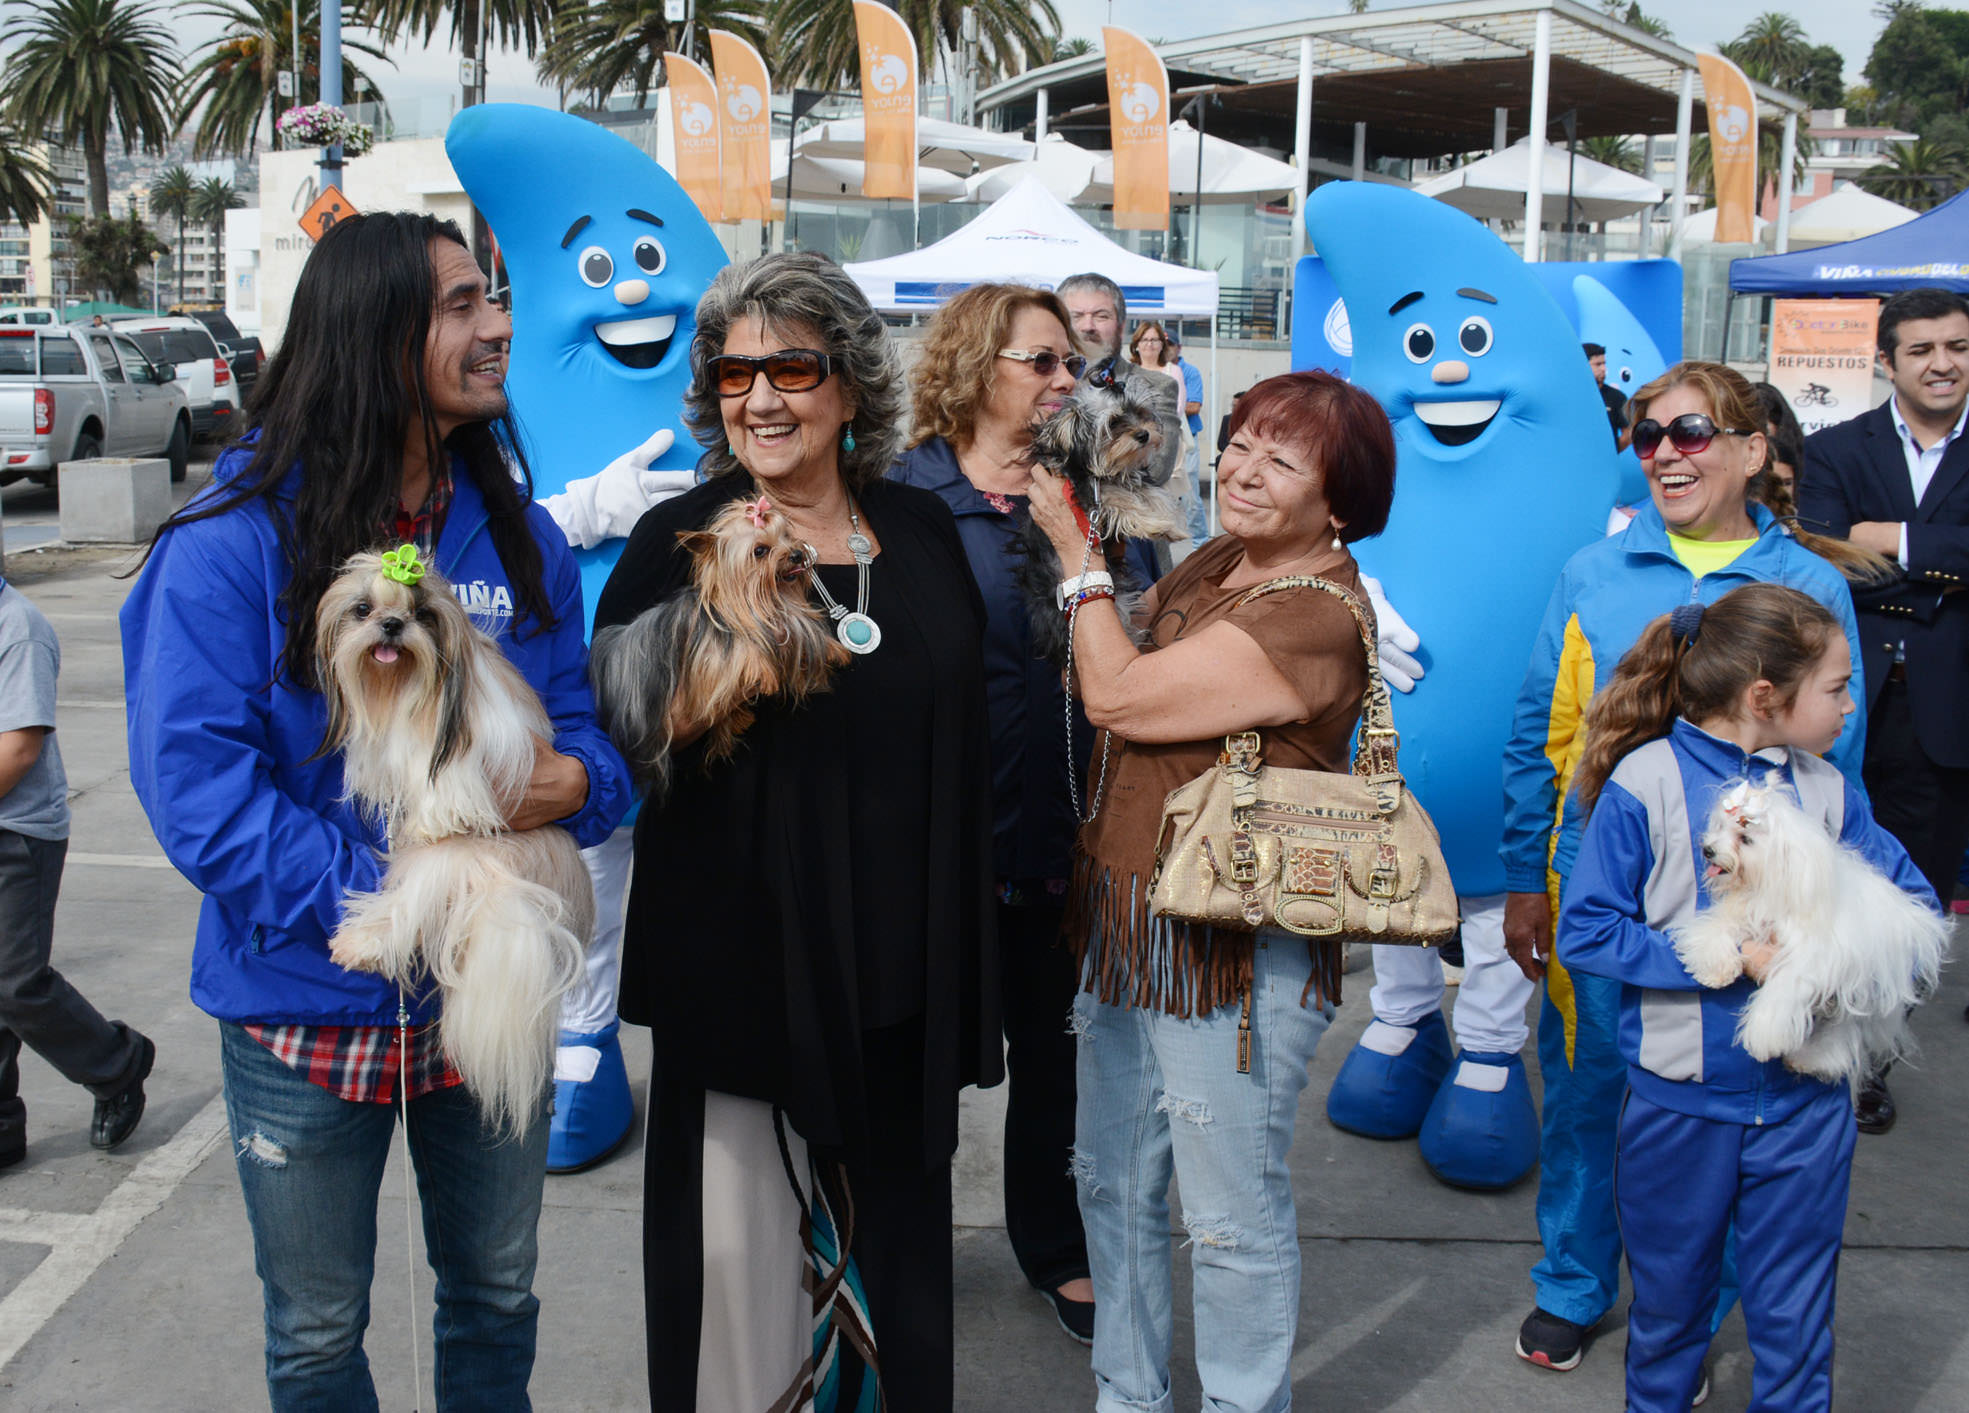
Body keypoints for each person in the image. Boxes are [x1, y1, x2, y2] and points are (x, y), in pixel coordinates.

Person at [119, 211, 632, 1408]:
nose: (495, 325)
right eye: (459, 305)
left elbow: (594, 733)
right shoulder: (230, 541)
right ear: (374, 337)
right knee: (315, 1333)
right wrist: (397, 904)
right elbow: (198, 795)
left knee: (498, 1297)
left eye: (487, 298)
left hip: (490, 1004)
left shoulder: (519, 531)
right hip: (305, 1006)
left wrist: (587, 786)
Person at [594, 252, 1000, 1412]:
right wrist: (734, 626)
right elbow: (632, 729)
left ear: (850, 385)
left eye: (792, 366)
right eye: (734, 374)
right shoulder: (682, 534)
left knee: (900, 1261)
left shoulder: (917, 530)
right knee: (742, 1281)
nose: (761, 397)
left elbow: (964, 727)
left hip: (901, 968)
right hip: (747, 974)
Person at [1027, 369, 1397, 1410]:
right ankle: (1127, 1395)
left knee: (1229, 1217)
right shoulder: (1221, 561)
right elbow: (1098, 666)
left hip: (1231, 951)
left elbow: (1116, 692)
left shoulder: (1315, 613)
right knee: (1109, 1184)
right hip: (1133, 921)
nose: (1240, 469)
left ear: (1339, 502)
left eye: (1281, 461)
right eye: (1239, 442)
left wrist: (1076, 559)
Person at [1500, 360, 1867, 1376]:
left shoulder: (1809, 586)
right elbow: (1545, 731)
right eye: (1646, 433)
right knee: (1585, 1091)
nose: (1664, 452)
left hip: (1754, 914)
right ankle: (1572, 1281)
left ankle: (1688, 1319)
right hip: (1604, 893)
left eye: (1691, 432)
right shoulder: (1594, 573)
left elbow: (1843, 763)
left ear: (1753, 452)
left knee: (1735, 1121)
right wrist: (1526, 881)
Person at [1561, 582, 1937, 1412]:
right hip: (1677, 1106)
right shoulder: (1646, 780)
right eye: (1836, 688)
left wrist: (1821, 962)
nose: (1849, 705)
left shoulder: (1832, 789)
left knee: (1796, 1317)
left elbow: (1912, 907)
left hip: (1808, 1110)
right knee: (1665, 1312)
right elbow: (1585, 931)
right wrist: (1724, 954)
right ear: (1765, 696)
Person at [891, 282, 1158, 1347]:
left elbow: (1138, 649)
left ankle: (1052, 1246)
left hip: (1064, 832)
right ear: (970, 371)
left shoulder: (1093, 499)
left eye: (1069, 365)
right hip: (935, 844)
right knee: (918, 1063)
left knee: (1058, 1060)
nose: (1064, 381)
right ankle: (902, 1247)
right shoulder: (899, 498)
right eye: (1038, 362)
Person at [1796, 287, 1969, 1129]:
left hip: (1949, 705)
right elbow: (1824, 546)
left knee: (1917, 894)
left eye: (1958, 347)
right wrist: (1942, 565)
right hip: (1851, 697)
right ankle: (1826, 1037)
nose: (1943, 363)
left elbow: (1864, 549)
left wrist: (1891, 540)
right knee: (1836, 879)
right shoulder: (1834, 447)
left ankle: (1876, 1056)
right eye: (1923, 349)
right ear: (1886, 361)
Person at [0, 578, 153, 1171]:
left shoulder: (19, 628)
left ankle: (116, 1063)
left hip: (18, 832)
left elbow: (19, 749)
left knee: (15, 981)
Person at [1168, 328, 1210, 541]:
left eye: (1170, 345)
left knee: (1190, 496)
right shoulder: (1151, 369)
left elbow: (1194, 406)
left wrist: (1164, 407)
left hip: (1185, 439)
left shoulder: (1189, 371)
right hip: (1159, 440)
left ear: (1178, 347)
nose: (1165, 348)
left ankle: (1200, 544)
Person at [1584, 341, 1628, 444]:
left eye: (1604, 363)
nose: (1604, 369)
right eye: (1598, 364)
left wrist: (1612, 452)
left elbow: (1627, 434)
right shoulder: (1571, 395)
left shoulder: (1617, 397)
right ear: (1583, 365)